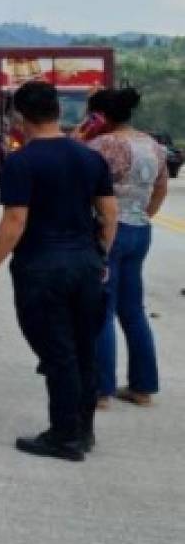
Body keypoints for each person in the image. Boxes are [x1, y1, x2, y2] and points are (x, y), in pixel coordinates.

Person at [0, 81, 117, 462]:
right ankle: (83, 430)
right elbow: (109, 214)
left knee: (58, 353)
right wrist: (100, 256)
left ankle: (64, 436)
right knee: (83, 349)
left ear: (19, 116)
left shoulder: (22, 162)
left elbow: (15, 221)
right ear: (58, 111)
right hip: (85, 264)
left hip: (42, 268)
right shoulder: (90, 158)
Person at [87, 88, 168, 408]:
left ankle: (100, 389)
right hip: (140, 230)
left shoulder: (102, 145)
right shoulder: (153, 145)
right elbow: (160, 189)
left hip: (109, 231)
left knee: (101, 311)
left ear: (99, 116)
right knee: (133, 310)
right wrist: (143, 215)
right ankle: (143, 387)